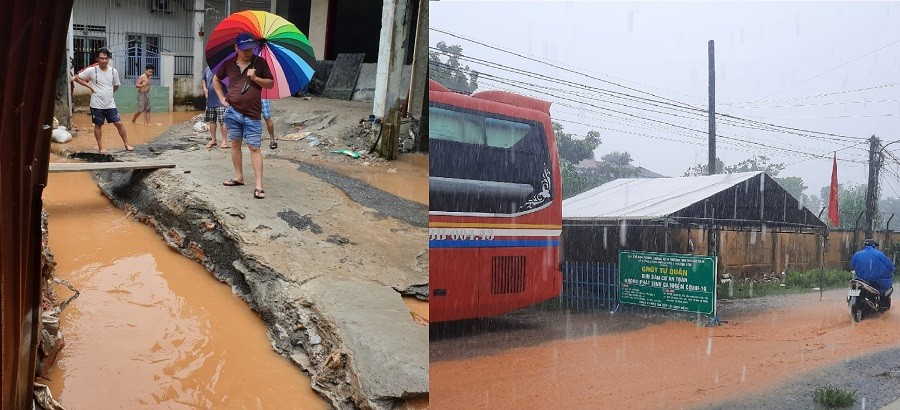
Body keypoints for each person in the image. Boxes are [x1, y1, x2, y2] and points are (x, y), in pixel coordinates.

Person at [213, 33, 274, 199]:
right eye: (244, 49)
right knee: (235, 144)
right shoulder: (228, 64)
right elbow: (216, 79)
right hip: (232, 112)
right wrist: (221, 98)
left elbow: (270, 83)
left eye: (250, 49)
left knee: (254, 147)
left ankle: (259, 185)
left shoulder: (260, 63)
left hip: (252, 114)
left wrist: (255, 78)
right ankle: (239, 177)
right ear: (236, 48)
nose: (248, 52)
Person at [71, 48, 134, 153]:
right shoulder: (92, 70)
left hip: (110, 104)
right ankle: (101, 147)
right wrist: (90, 87)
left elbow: (116, 85)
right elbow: (77, 77)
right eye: (101, 58)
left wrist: (108, 94)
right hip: (96, 104)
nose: (104, 61)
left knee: (119, 123)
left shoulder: (113, 71)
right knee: (98, 125)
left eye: (106, 58)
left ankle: (126, 144)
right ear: (97, 59)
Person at [203, 66, 229, 149]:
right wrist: (204, 88)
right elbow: (203, 79)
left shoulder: (223, 69)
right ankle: (213, 139)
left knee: (223, 121)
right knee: (212, 121)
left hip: (221, 101)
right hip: (210, 101)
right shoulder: (207, 69)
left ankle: (224, 140)